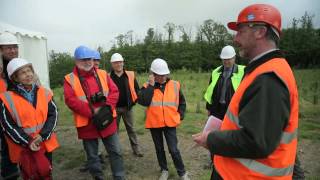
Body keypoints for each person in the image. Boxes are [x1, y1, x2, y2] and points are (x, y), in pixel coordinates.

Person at [193, 4, 302, 179]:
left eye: (240, 31)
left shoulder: (268, 78)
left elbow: (257, 142)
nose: (236, 39)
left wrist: (211, 139)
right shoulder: (262, 70)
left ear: (260, 32)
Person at [64, 45, 125, 180]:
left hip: (108, 119)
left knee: (115, 151)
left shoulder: (102, 74)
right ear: (76, 61)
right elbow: (70, 100)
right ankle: (98, 177)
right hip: (87, 123)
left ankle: (119, 177)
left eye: (89, 59)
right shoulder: (70, 79)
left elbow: (114, 91)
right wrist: (93, 112)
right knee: (92, 156)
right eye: (83, 59)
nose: (87, 62)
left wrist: (107, 108)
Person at [0, 58, 59, 179]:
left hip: (45, 143)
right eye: (23, 72)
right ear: (15, 78)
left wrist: (43, 135)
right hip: (24, 147)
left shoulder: (45, 93)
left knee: (47, 173)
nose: (28, 75)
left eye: (29, 71)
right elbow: (8, 126)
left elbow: (53, 115)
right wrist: (28, 141)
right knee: (31, 175)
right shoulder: (6, 98)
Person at [138, 58, 190, 180]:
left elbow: (182, 102)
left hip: (170, 123)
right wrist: (151, 86)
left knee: (174, 149)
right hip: (154, 123)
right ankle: (164, 170)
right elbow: (144, 101)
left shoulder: (175, 85)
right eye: (159, 75)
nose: (163, 77)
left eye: (164, 74)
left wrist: (180, 115)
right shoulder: (146, 87)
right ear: (153, 74)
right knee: (159, 148)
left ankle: (182, 173)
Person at [109, 53, 143, 157]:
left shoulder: (130, 75)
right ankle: (114, 151)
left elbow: (137, 90)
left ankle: (136, 149)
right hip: (113, 109)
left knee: (131, 129)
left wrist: (135, 100)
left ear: (123, 63)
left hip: (127, 108)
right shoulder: (108, 77)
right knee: (114, 131)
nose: (118, 64)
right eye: (116, 62)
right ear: (112, 64)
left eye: (120, 62)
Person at [0, 32, 22, 180]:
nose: (13, 50)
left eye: (15, 47)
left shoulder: (20, 64)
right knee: (6, 146)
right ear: (1, 49)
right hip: (3, 114)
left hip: (18, 112)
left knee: (18, 142)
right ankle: (10, 173)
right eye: (9, 48)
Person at [204, 45, 245, 120]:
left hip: (232, 109)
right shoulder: (216, 72)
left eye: (228, 59)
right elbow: (210, 92)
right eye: (224, 59)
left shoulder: (242, 71)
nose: (226, 62)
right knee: (214, 130)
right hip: (217, 108)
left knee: (228, 131)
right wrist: (209, 108)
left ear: (234, 58)